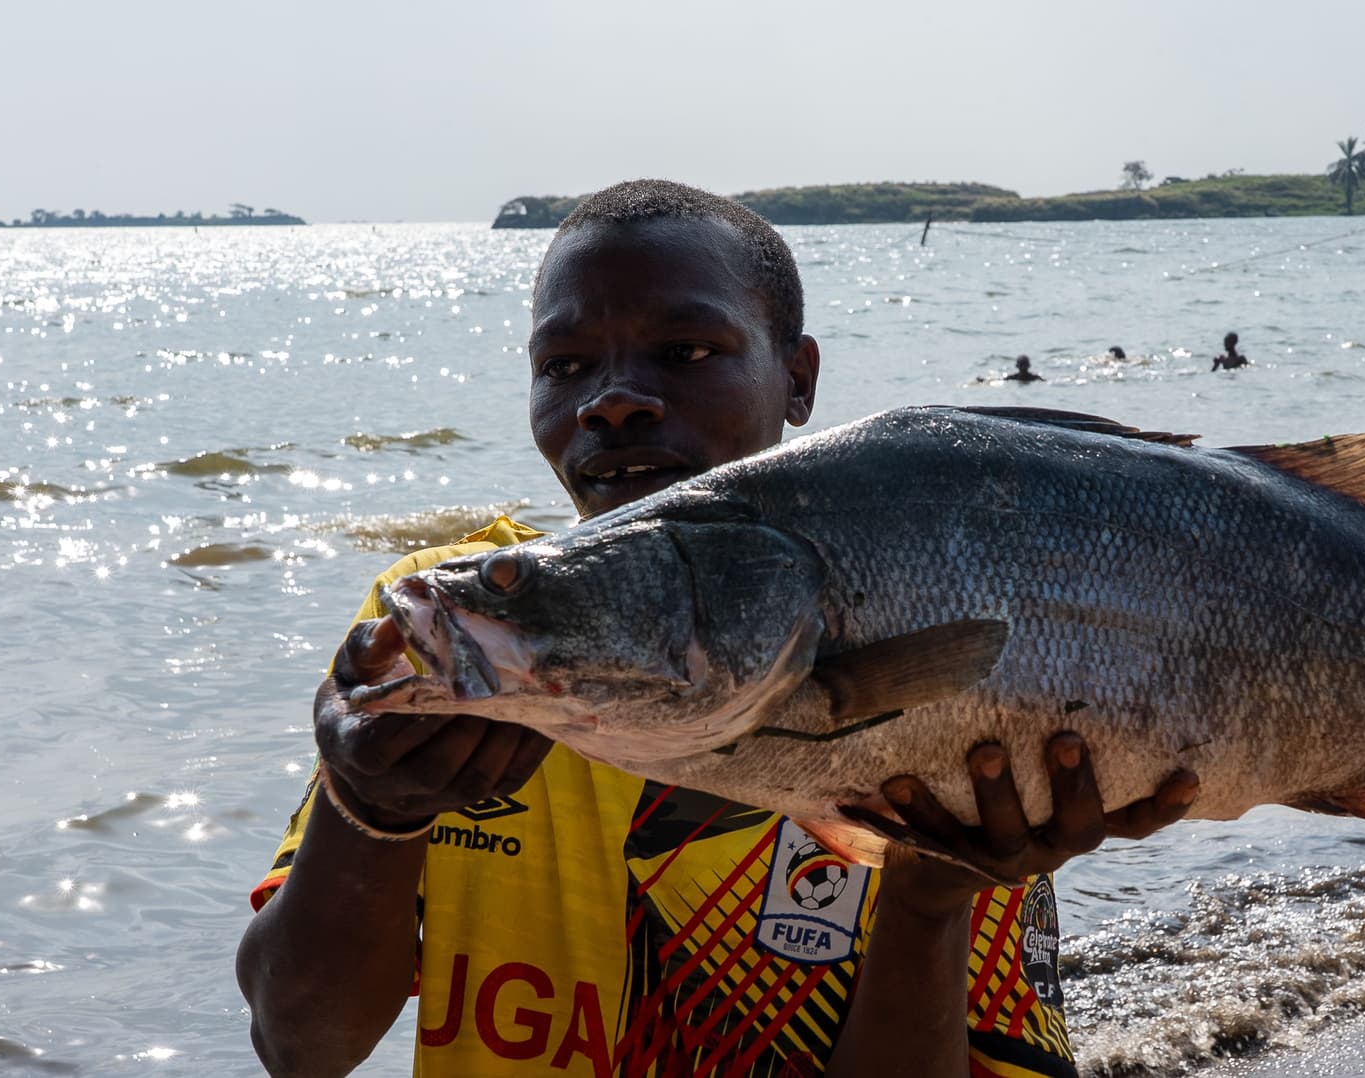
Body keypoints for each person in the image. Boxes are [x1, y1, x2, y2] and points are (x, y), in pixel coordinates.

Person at [235, 180, 1197, 1077]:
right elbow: (301, 1043)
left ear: (798, 378)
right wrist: (372, 810)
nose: (610, 400)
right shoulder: (451, 622)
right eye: (563, 367)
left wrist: (930, 894)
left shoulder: (926, 605)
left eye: (686, 354)